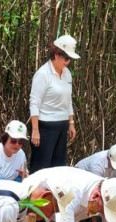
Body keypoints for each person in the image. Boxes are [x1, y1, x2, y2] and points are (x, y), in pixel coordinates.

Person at [29, 34, 80, 173]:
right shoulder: (43, 74)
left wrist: (71, 123)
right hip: (45, 127)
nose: (68, 62)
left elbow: (68, 99)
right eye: (66, 58)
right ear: (56, 54)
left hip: (62, 125)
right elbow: (34, 102)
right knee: (41, 167)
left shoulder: (67, 73)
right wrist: (35, 130)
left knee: (57, 167)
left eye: (70, 59)